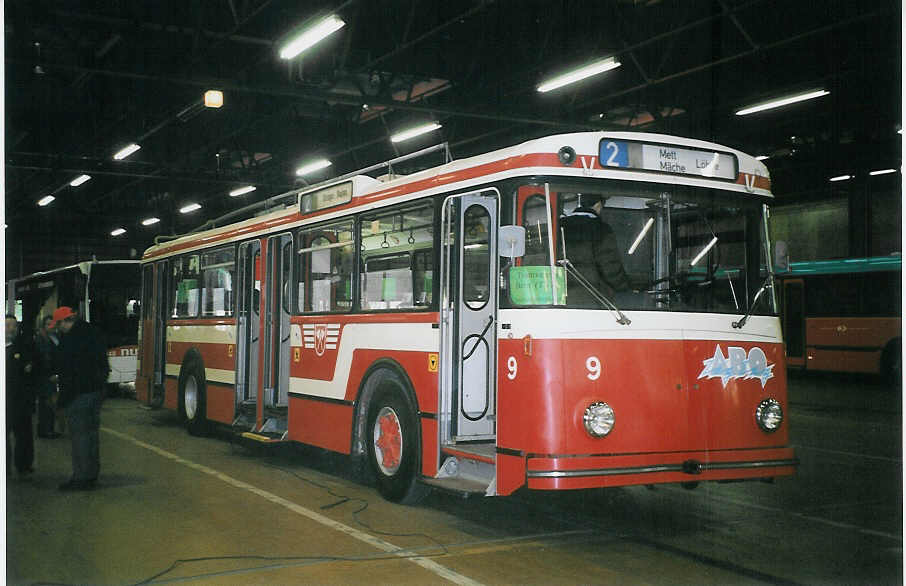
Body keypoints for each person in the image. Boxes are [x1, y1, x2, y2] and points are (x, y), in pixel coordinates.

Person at [51, 306, 109, 491]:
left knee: (79, 437)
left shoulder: (71, 340)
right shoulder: (93, 332)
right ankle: (91, 474)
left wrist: (62, 401)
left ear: (66, 321)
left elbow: (69, 374)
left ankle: (81, 478)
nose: (59, 328)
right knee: (91, 435)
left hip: (79, 394)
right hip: (96, 391)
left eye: (59, 324)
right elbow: (103, 364)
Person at [559, 201, 631, 306]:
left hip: (561, 300)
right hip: (595, 302)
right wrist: (626, 288)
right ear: (598, 205)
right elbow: (610, 269)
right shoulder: (601, 229)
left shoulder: (558, 226)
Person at [6, 314, 35, 476]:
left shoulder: (24, 347)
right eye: (7, 325)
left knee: (23, 435)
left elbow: (32, 371)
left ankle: (23, 465)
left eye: (14, 326)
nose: (11, 329)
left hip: (20, 401)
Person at [34, 315, 62, 439]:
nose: (51, 326)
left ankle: (49, 429)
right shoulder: (41, 339)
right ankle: (45, 430)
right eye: (48, 324)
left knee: (50, 403)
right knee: (46, 404)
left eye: (52, 323)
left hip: (52, 375)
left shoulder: (54, 337)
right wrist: (50, 374)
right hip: (45, 376)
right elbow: (43, 359)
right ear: (43, 326)